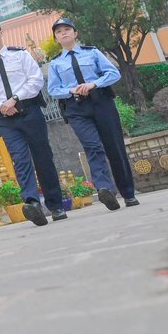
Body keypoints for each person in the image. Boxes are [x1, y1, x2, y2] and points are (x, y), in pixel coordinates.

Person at [0, 17, 66, 225]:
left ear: (0, 32)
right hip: (6, 120)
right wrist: (2, 106)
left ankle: (56, 205)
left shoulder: (21, 55)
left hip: (30, 112)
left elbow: (35, 80)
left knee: (43, 158)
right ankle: (33, 204)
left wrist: (15, 98)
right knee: (20, 160)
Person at [46, 18, 140, 209]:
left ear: (75, 33)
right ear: (56, 38)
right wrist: (71, 90)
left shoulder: (93, 52)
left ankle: (128, 193)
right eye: (59, 32)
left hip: (101, 102)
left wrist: (94, 83)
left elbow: (113, 73)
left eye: (67, 29)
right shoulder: (55, 63)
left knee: (115, 147)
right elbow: (53, 90)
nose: (63, 33)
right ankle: (105, 189)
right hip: (76, 108)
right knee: (92, 146)